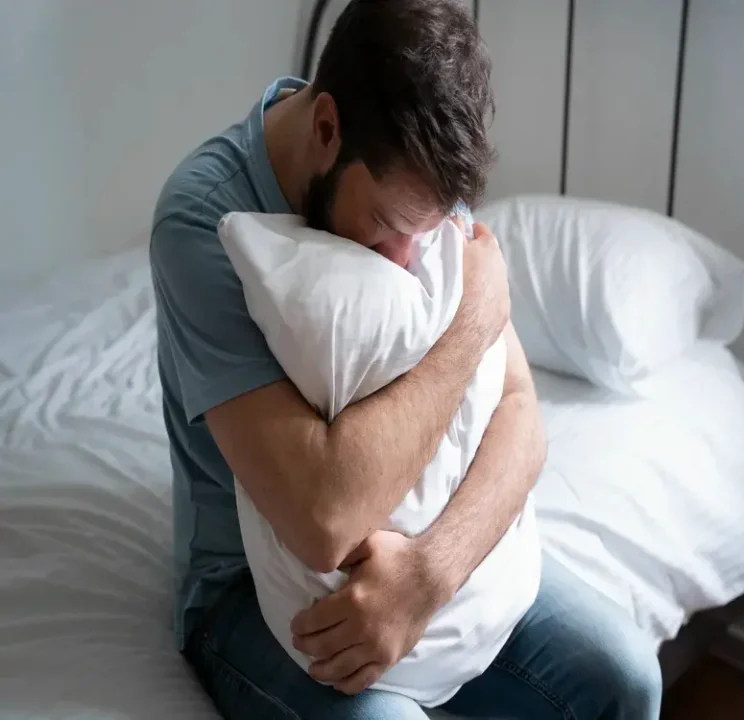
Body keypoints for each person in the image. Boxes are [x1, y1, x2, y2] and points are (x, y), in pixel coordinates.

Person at [149, 0, 663, 718]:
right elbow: (324, 522)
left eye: (427, 233)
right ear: (326, 128)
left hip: (424, 560)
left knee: (627, 675)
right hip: (245, 591)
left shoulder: (415, 171)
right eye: (389, 227)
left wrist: (429, 574)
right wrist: (474, 321)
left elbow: (522, 412)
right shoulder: (202, 220)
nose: (409, 258)